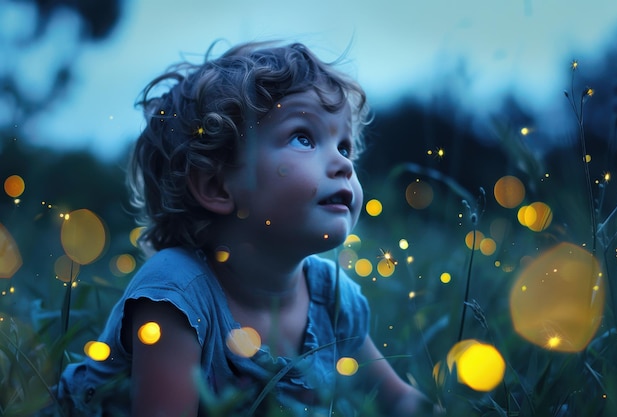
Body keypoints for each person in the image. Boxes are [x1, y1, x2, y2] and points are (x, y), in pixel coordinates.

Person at [58, 40, 436, 416]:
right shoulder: (177, 295)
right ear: (217, 186)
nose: (343, 165)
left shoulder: (331, 297)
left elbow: (398, 401)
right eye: (304, 137)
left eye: (344, 146)